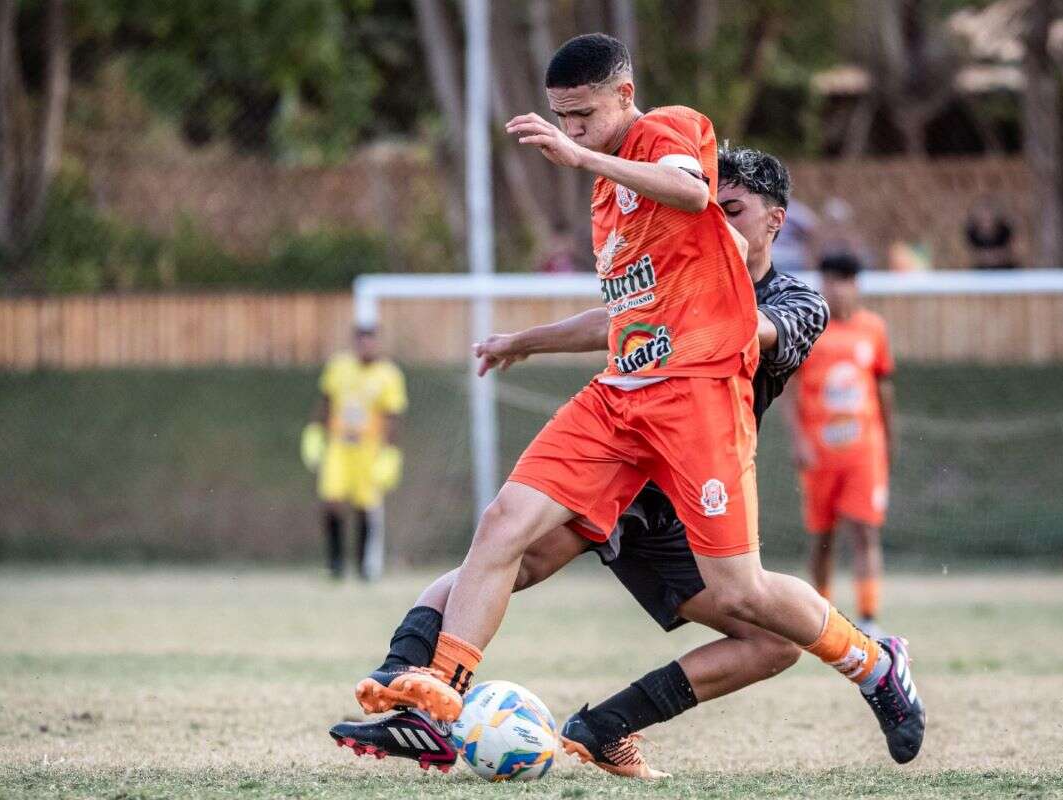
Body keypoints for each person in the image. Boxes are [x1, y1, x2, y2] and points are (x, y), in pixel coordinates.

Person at [342, 32, 923, 770]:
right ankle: (431, 691)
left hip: (693, 423)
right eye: (563, 118)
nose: (572, 129)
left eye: (582, 115)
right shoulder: (619, 202)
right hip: (623, 403)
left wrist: (583, 156)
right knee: (505, 527)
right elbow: (628, 313)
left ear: (623, 94)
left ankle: (870, 662)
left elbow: (692, 195)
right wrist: (529, 339)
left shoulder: (677, 144)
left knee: (746, 601)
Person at [786, 253, 895, 637]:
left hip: (865, 451)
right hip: (819, 454)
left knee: (865, 532)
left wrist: (888, 440)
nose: (836, 288)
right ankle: (822, 621)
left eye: (844, 280)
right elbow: (790, 389)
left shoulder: (873, 330)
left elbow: (884, 388)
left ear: (856, 284)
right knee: (822, 539)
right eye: (829, 280)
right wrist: (798, 439)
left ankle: (868, 617)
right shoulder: (810, 329)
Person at [301, 325, 406, 581]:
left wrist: (390, 452)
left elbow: (393, 416)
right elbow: (326, 400)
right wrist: (315, 431)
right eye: (362, 342)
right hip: (339, 445)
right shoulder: (339, 367)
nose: (366, 347)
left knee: (365, 506)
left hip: (368, 448)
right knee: (332, 501)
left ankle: (363, 567)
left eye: (371, 342)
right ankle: (335, 564)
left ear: (377, 344)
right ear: (355, 343)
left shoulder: (388, 375)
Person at [965, 198, 1017, 270]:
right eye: (983, 215)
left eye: (989, 214)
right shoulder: (972, 233)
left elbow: (1013, 251)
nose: (987, 217)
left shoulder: (1005, 230)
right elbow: (969, 254)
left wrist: (995, 256)